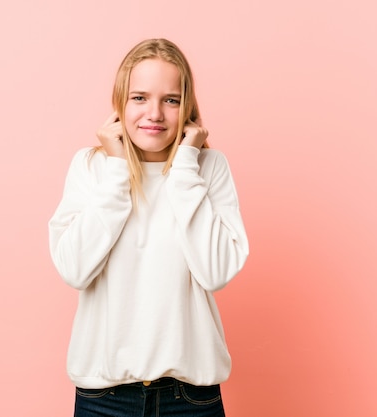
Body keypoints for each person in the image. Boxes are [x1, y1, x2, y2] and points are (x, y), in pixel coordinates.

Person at [48, 38, 249, 417]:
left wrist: (187, 165)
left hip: (190, 400)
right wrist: (117, 169)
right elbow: (74, 269)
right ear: (120, 103)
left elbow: (216, 271)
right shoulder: (92, 168)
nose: (154, 113)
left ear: (187, 107)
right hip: (104, 399)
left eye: (170, 100)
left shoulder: (208, 167)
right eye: (139, 97)